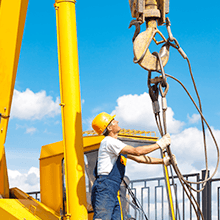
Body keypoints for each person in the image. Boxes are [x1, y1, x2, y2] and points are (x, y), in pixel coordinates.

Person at [91, 112, 172, 220]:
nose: (117, 121)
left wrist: (163, 161)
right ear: (109, 128)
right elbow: (137, 152)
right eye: (113, 120)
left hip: (111, 189)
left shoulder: (116, 146)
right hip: (105, 187)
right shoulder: (109, 142)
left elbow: (140, 158)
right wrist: (159, 145)